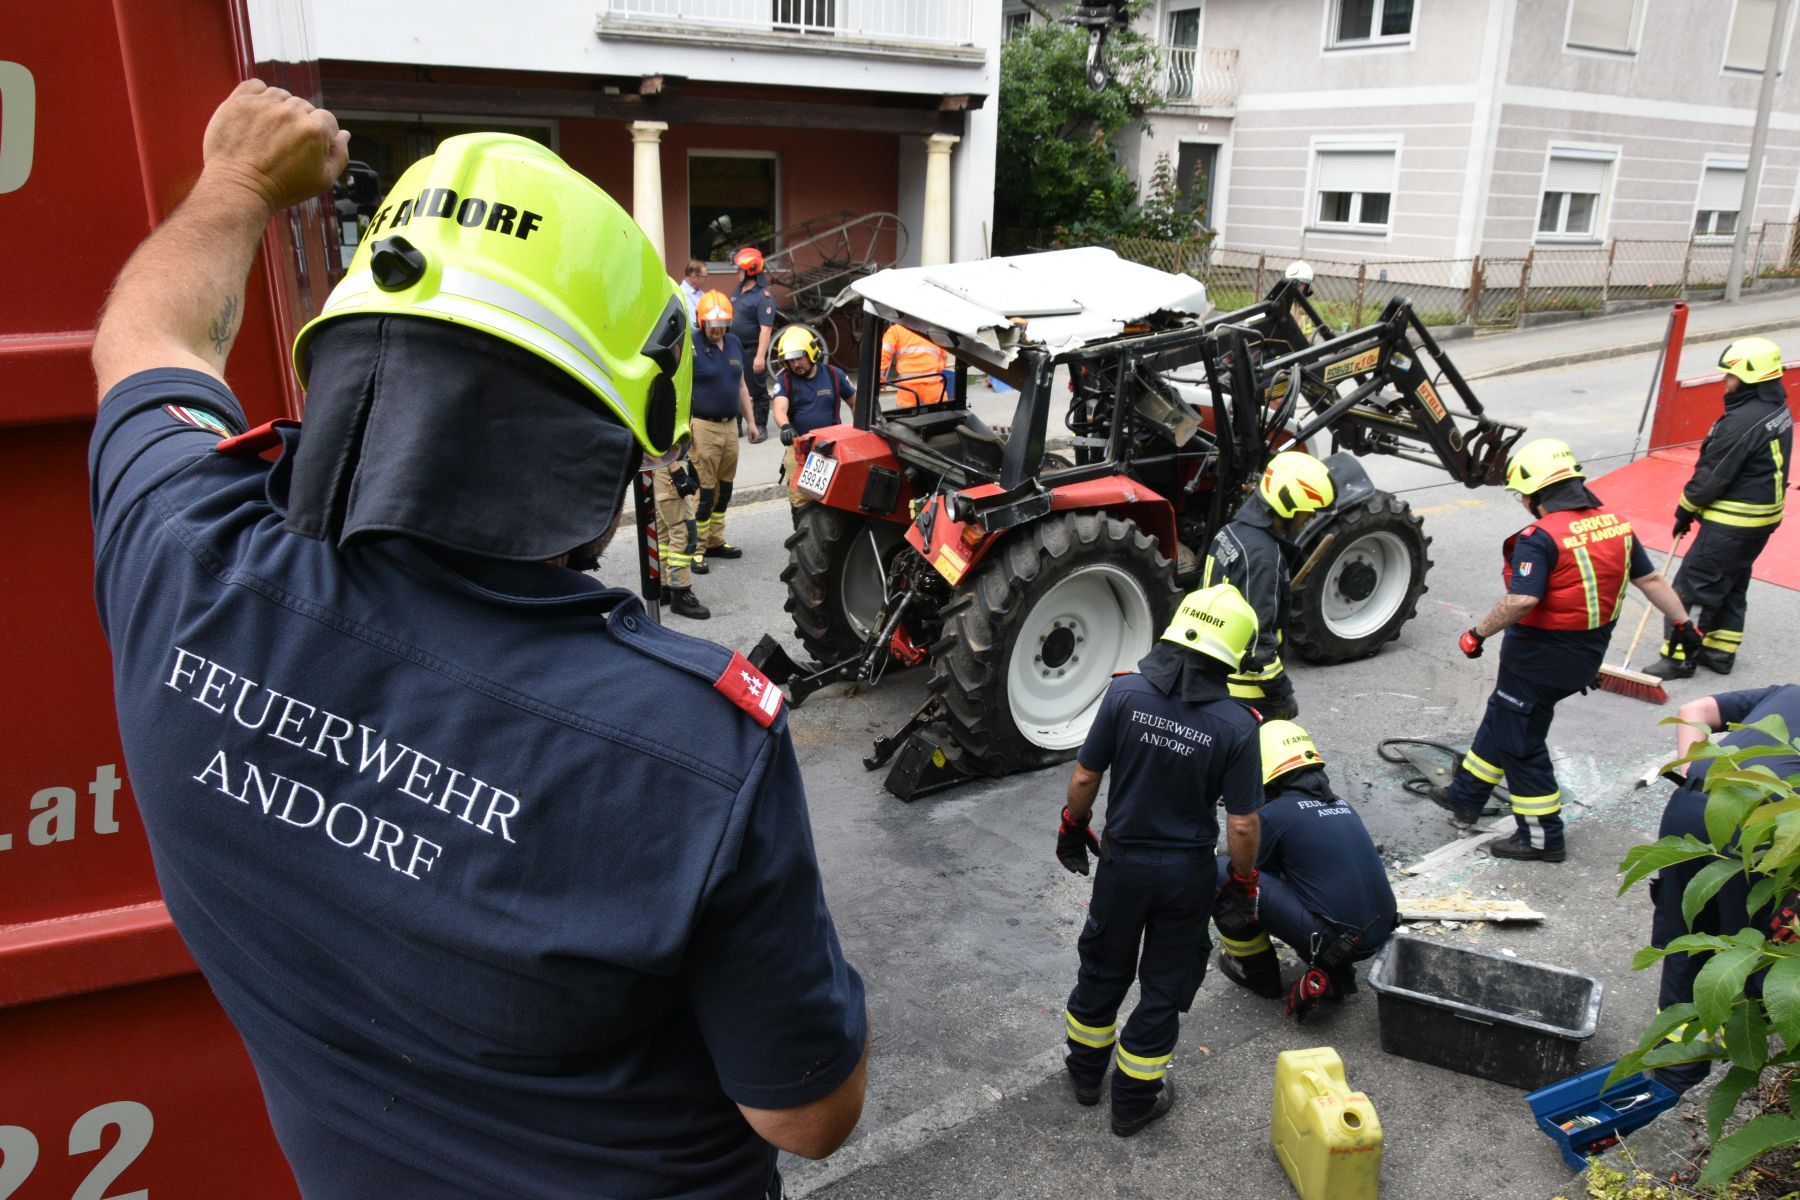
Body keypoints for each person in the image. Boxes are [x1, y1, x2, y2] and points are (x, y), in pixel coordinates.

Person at [87, 81, 867, 1199]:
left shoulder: (181, 552)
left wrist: (239, 181)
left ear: (347, 360)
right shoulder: (694, 748)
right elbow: (808, 1112)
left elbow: (142, 339)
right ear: (610, 441)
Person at [1055, 584, 1262, 1138]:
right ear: (1232, 653)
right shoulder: (1240, 727)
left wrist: (1072, 828)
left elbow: (1085, 775)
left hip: (1122, 865)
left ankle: (1084, 1077)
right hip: (1185, 875)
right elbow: (1242, 823)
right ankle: (1133, 1102)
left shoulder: (1124, 696)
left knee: (1103, 966)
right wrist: (1243, 882)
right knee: (1164, 986)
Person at [1446, 438, 1702, 862]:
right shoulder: (1615, 525)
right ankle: (1465, 795)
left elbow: (1522, 600)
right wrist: (1683, 624)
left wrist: (1477, 633)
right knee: (1505, 715)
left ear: (1533, 494)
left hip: (1538, 659)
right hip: (1583, 655)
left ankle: (1543, 838)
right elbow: (1652, 581)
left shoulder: (1538, 537)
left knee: (1521, 742)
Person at [1647, 684, 1800, 1096]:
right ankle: (1746, 1069)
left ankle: (1674, 1075)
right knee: (1751, 953)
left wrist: (1689, 766)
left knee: (1687, 941)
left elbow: (1694, 708)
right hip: (1758, 828)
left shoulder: (1788, 692)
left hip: (1690, 807)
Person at [1213, 721, 1398, 1020]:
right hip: (1376, 932)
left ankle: (1257, 973)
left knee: (1225, 872)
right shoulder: (1341, 804)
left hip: (1337, 940)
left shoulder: (1274, 815)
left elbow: (1248, 872)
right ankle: (1336, 973)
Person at [1645, 336, 1793, 680]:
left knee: (1693, 587)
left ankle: (1679, 656)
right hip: (1761, 518)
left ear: (1750, 377)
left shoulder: (1741, 422)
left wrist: (1686, 509)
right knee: (1731, 580)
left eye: (1730, 376)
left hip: (1734, 520)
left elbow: (1713, 475)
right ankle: (1719, 652)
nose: (1726, 383)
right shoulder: (1774, 407)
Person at [1201, 450, 1336, 720]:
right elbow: (1259, 642)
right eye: (1307, 513)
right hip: (1245, 692)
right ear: (1287, 504)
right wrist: (1281, 695)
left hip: (1213, 674)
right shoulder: (1263, 557)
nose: (1309, 519)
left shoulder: (1231, 532)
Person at [689, 290, 762, 573]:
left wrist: (752, 422)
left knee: (725, 488)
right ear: (701, 322)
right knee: (705, 491)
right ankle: (696, 548)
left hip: (731, 426)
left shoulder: (732, 343)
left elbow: (741, 384)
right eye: (711, 325)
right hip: (703, 426)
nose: (717, 331)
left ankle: (716, 541)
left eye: (721, 325)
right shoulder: (691, 345)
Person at [773, 325, 856, 513]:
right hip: (800, 450)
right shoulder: (785, 381)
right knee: (802, 503)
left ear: (811, 353)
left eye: (798, 358)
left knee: (838, 500)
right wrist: (785, 426)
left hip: (832, 449)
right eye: (790, 360)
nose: (795, 365)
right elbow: (779, 408)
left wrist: (861, 428)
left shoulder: (834, 374)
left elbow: (855, 402)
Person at [653, 450, 709, 619]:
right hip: (667, 468)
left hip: (659, 468)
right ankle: (681, 594)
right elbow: (657, 439)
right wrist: (676, 469)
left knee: (665, 536)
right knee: (684, 532)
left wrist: (687, 463)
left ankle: (664, 587)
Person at [730, 246, 776, 438]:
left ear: (750, 271)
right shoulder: (738, 291)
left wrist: (759, 356)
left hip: (751, 351)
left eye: (740, 269)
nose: (737, 273)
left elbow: (766, 329)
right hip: (734, 349)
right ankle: (738, 426)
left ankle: (760, 426)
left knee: (756, 390)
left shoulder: (763, 297)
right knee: (734, 387)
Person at [880, 321, 949, 407]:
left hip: (908, 389)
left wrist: (880, 379)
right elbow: (944, 359)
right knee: (938, 417)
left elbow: (883, 355)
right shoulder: (936, 331)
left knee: (905, 418)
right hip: (932, 388)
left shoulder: (896, 330)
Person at [678, 257, 707, 328]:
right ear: (693, 277)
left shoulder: (700, 293)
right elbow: (694, 325)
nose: (706, 279)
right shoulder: (683, 294)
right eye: (704, 277)